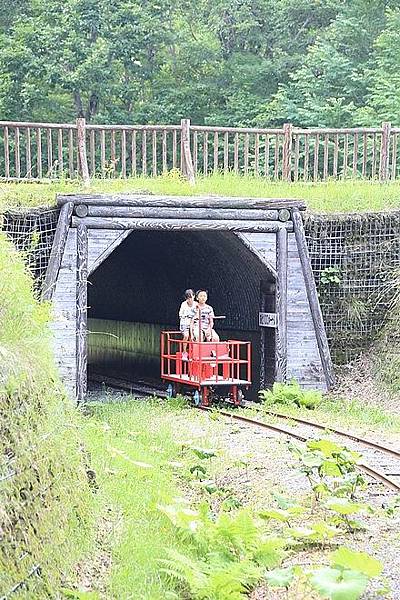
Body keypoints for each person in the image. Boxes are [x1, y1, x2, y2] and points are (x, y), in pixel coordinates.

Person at [179, 289, 197, 360]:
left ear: (194, 296)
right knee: (186, 335)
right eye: (188, 298)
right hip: (185, 323)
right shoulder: (183, 304)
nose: (189, 299)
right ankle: (184, 352)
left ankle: (193, 353)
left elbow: (198, 314)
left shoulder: (196, 304)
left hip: (193, 323)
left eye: (191, 297)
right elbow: (180, 314)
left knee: (194, 337)